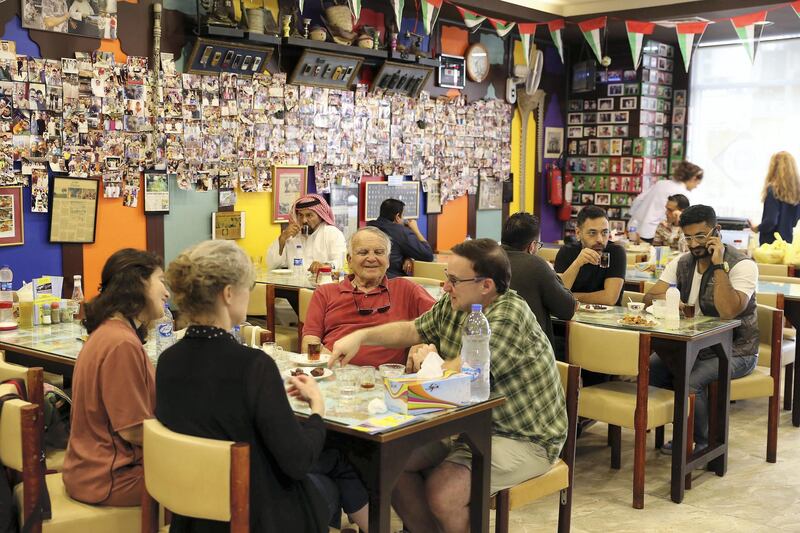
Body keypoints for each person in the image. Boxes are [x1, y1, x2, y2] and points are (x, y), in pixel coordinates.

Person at [329, 239, 567, 533]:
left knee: (444, 493)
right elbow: (413, 329)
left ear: (486, 285)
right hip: (466, 425)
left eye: (453, 280)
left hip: (525, 436)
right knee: (391, 462)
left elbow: (464, 375)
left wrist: (432, 358)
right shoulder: (456, 302)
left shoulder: (508, 315)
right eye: (446, 277)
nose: (445, 287)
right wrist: (362, 337)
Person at [159, 240, 369, 532]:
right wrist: (317, 411)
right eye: (248, 287)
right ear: (229, 294)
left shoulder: (168, 360)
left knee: (330, 464)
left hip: (194, 515)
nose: (250, 294)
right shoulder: (252, 366)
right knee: (330, 474)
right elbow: (297, 461)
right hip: (253, 514)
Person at [644, 205, 758, 452]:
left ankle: (704, 443)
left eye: (700, 236)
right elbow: (650, 297)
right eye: (688, 237)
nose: (694, 244)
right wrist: (674, 300)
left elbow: (728, 311)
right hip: (692, 346)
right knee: (651, 366)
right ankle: (676, 429)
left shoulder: (742, 265)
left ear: (716, 232)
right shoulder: (682, 262)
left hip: (736, 351)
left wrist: (718, 267)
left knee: (691, 380)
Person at [62, 249, 168, 506]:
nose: (167, 293)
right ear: (140, 283)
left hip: (90, 469)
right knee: (216, 481)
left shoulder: (109, 331)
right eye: (161, 281)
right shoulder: (121, 343)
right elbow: (132, 430)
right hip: (111, 477)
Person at [302, 227, 435, 367]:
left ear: (388, 260)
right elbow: (310, 341)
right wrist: (329, 362)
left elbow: (444, 320)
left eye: (379, 252)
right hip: (338, 375)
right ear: (350, 260)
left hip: (389, 379)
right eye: (363, 252)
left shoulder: (406, 289)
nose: (371, 258)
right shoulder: (325, 292)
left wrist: (422, 343)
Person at [500, 212, 575, 346]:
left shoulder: (485, 258)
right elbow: (567, 309)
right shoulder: (536, 265)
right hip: (530, 350)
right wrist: (551, 271)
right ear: (532, 246)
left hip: (492, 344)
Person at [554, 206, 625, 306]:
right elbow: (558, 294)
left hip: (607, 319)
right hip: (571, 316)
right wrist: (577, 263)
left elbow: (609, 299)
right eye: (592, 233)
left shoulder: (616, 252)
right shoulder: (567, 251)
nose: (600, 239)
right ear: (578, 233)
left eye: (604, 232)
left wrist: (570, 296)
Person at [266, 193, 347, 275]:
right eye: (300, 215)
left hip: (323, 285)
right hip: (295, 285)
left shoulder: (332, 233)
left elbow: (339, 262)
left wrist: (324, 266)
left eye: (309, 215)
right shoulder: (292, 235)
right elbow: (272, 265)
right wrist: (282, 239)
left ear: (320, 215)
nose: (304, 220)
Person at [628, 161, 703, 243]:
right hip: (653, 232)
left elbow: (638, 200)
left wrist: (634, 216)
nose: (696, 187)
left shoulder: (661, 183)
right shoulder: (682, 193)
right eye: (697, 184)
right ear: (693, 178)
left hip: (634, 227)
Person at [367, 198, 434, 277]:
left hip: (368, 277)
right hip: (393, 280)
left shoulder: (368, 227)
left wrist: (407, 257)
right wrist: (416, 230)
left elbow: (394, 249)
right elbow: (428, 255)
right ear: (397, 216)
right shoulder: (401, 231)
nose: (403, 219)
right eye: (403, 215)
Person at [751, 151, 800, 244]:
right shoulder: (797, 193)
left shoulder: (773, 190)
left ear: (774, 168)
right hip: (787, 244)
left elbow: (770, 221)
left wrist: (757, 228)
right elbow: (794, 221)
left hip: (770, 246)